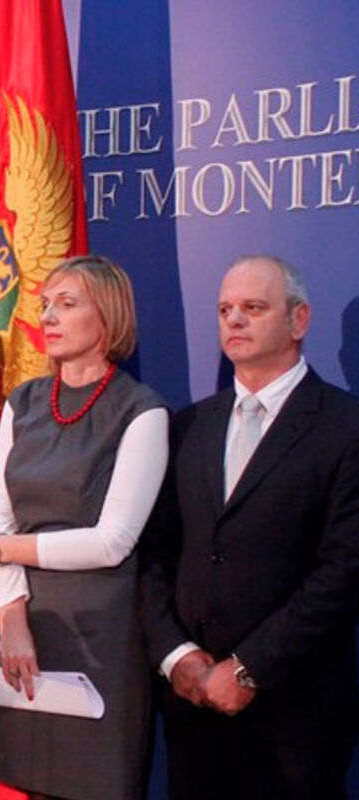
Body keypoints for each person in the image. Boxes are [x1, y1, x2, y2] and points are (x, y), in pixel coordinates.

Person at [140, 255, 359, 799]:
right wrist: (176, 656)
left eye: (253, 308)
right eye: (225, 310)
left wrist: (248, 669)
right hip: (193, 715)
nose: (234, 320)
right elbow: (154, 555)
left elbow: (343, 572)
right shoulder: (191, 424)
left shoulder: (345, 427)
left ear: (299, 320)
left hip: (295, 720)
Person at [0, 255, 168, 800]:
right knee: (30, 780)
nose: (48, 317)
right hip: (26, 626)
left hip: (100, 634)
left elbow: (112, 542)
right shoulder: (23, 403)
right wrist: (12, 618)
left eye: (67, 304)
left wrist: (4, 549)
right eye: (45, 305)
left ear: (106, 318)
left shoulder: (142, 411)